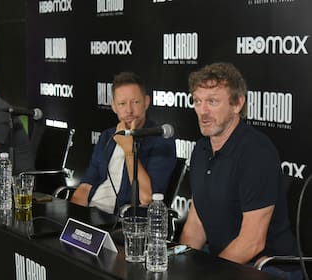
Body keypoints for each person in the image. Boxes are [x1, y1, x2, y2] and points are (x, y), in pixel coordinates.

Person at [180, 62, 300, 279]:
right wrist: (179, 266)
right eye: (197, 101)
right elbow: (196, 225)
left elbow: (252, 243)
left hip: (268, 267)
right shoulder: (200, 149)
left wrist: (209, 275)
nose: (202, 111)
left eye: (213, 101)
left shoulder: (256, 152)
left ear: (237, 104)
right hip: (224, 260)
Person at [70, 71, 176, 214]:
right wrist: (74, 216)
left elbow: (147, 199)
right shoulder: (107, 136)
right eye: (122, 104)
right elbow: (87, 184)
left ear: (146, 102)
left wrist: (128, 150)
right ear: (114, 106)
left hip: (123, 221)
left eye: (135, 102)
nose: (129, 110)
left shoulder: (161, 140)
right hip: (93, 212)